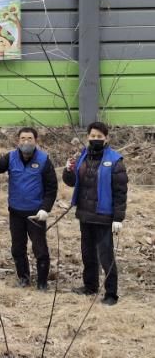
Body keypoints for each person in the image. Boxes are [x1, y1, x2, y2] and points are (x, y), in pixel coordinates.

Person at [63, 121, 128, 306]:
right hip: (85, 214)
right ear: (88, 137)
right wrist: (68, 170)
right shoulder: (82, 156)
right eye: (93, 136)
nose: (96, 139)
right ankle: (90, 286)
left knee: (106, 256)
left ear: (106, 138)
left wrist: (118, 218)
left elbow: (120, 192)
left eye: (100, 136)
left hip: (104, 216)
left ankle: (111, 293)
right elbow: (71, 182)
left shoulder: (115, 160)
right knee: (87, 253)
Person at [0, 127, 57, 290]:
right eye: (23, 139)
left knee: (40, 249)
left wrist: (45, 208)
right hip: (16, 212)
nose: (26, 142)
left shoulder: (44, 160)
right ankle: (24, 278)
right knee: (18, 248)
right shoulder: (11, 157)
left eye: (29, 138)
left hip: (36, 214)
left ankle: (42, 282)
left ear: (36, 141)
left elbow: (51, 187)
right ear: (18, 141)